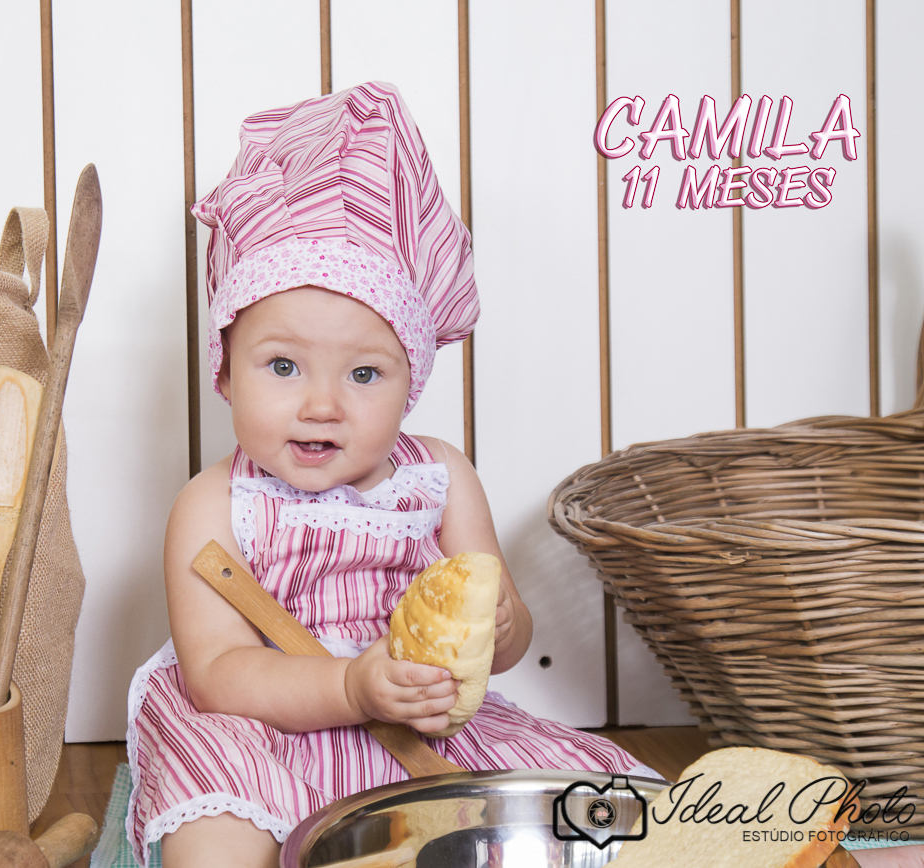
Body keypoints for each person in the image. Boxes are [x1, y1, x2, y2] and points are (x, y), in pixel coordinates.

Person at [125, 81, 652, 868]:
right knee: (216, 838)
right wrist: (349, 688)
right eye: (282, 366)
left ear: (413, 384)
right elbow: (218, 676)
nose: (322, 405)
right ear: (224, 371)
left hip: (416, 724)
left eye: (365, 374)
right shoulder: (212, 506)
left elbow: (503, 633)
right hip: (261, 727)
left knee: (596, 814)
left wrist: (503, 627)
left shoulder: (439, 477)